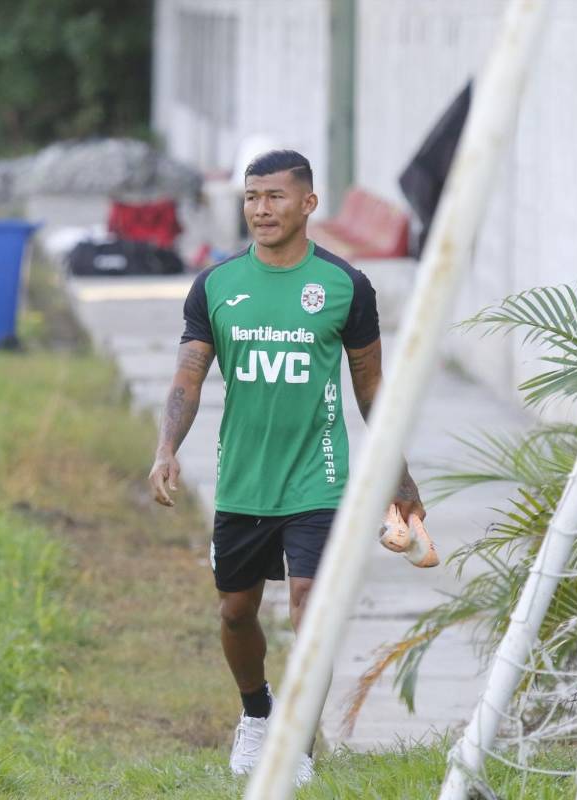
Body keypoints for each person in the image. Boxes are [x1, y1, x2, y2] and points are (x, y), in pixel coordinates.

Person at [148, 149, 424, 786]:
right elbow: (188, 376)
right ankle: (257, 714)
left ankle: (297, 741)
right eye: (251, 197)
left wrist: (398, 474)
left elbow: (371, 388)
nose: (261, 209)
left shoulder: (345, 286)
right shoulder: (216, 285)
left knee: (310, 608)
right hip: (243, 480)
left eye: (274, 196)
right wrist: (167, 449)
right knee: (236, 613)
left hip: (318, 478)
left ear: (307, 204)